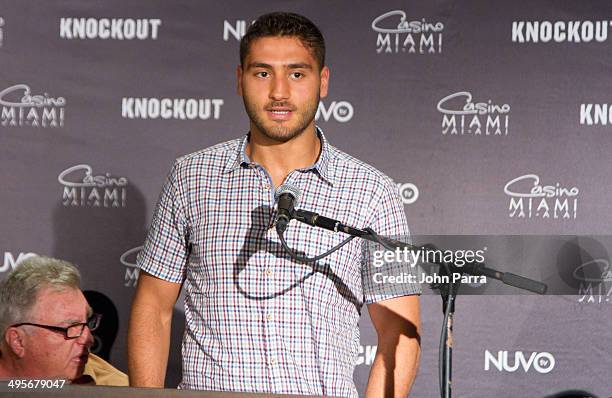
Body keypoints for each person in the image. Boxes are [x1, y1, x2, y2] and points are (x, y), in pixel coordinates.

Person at [128, 11, 421, 397]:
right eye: (262, 73)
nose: (279, 92)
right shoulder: (190, 177)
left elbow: (399, 334)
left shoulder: (372, 192)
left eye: (297, 74)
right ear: (239, 80)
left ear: (323, 82)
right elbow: (153, 306)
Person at [0, 255, 128, 386]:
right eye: (70, 327)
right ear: (18, 341)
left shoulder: (115, 388)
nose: (89, 339)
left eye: (88, 322)